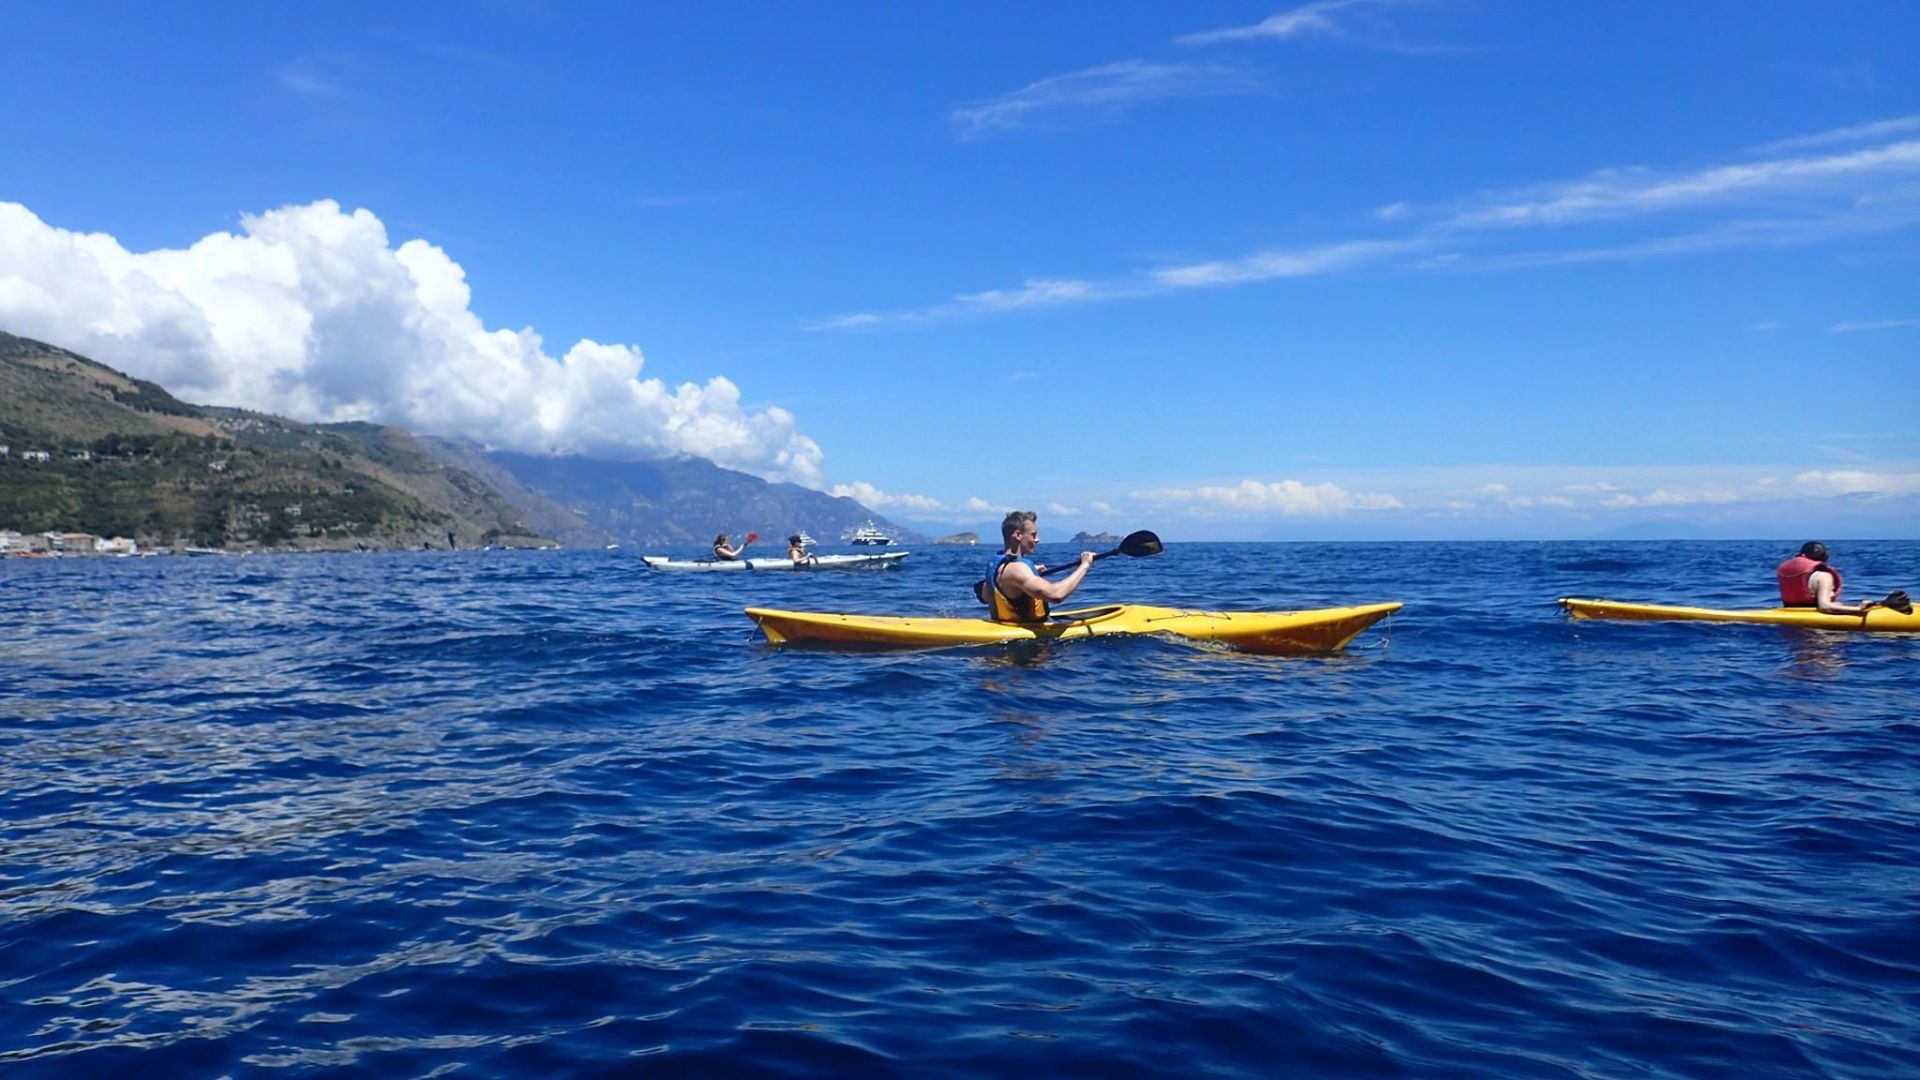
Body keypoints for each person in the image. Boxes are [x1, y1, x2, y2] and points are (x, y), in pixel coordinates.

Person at [978, 510, 1094, 622]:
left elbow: (983, 596)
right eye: (1033, 535)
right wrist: (1085, 565)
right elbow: (1056, 595)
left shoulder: (1000, 567)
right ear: (1018, 535)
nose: (1037, 539)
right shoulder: (1017, 570)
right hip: (1028, 640)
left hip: (1008, 628)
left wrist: (1030, 573)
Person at [1776, 541, 1876, 615]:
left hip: (1790, 616)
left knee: (1839, 604)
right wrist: (1859, 609)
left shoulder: (1785, 571)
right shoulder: (1823, 576)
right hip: (1818, 631)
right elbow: (1824, 606)